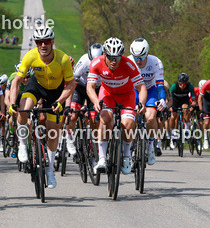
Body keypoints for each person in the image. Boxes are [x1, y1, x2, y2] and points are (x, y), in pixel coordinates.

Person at [12, 25, 76, 189]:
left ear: (52, 41)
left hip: (56, 92)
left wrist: (60, 102)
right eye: (39, 42)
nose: (43, 45)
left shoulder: (62, 59)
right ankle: (22, 145)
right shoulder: (30, 56)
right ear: (35, 43)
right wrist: (13, 103)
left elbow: (70, 85)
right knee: (24, 109)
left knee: (53, 131)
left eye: (46, 41)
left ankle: (49, 171)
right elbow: (16, 81)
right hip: (37, 86)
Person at [86, 38, 147, 175]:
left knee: (128, 123)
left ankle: (126, 156)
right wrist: (96, 101)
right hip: (107, 94)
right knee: (105, 119)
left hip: (126, 96)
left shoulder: (128, 64)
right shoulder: (96, 63)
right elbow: (90, 87)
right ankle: (102, 158)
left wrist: (141, 103)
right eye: (111, 57)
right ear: (105, 54)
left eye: (117, 57)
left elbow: (141, 87)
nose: (114, 61)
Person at [129, 38, 166, 164]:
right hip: (133, 91)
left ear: (148, 54)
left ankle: (150, 145)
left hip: (150, 90)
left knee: (150, 118)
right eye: (136, 57)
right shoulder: (128, 61)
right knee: (131, 118)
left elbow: (160, 84)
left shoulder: (156, 62)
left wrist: (162, 99)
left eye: (141, 57)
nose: (138, 61)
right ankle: (130, 146)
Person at [65, 42, 103, 158]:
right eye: (92, 61)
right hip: (80, 88)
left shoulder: (106, 63)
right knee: (73, 116)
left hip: (96, 90)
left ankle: (94, 148)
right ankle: (69, 138)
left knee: (94, 120)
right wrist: (69, 105)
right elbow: (72, 83)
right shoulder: (83, 61)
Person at [167, 72, 196, 149]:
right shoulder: (174, 86)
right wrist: (170, 107)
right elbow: (169, 98)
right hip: (174, 100)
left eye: (184, 84)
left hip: (184, 100)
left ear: (186, 83)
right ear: (178, 82)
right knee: (173, 117)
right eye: (180, 84)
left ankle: (186, 129)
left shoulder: (190, 86)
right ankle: (173, 136)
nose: (182, 86)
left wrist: (192, 105)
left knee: (185, 109)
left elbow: (193, 99)